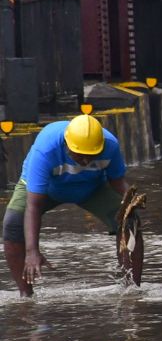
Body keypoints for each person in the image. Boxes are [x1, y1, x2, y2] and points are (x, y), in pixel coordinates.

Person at [3, 115, 129, 297]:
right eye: (80, 155)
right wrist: (32, 251)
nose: (85, 161)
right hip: (46, 189)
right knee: (13, 224)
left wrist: (130, 199)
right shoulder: (46, 149)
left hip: (90, 187)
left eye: (91, 155)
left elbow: (118, 182)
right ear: (67, 145)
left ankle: (131, 286)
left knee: (129, 220)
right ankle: (26, 296)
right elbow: (33, 206)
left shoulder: (110, 145)